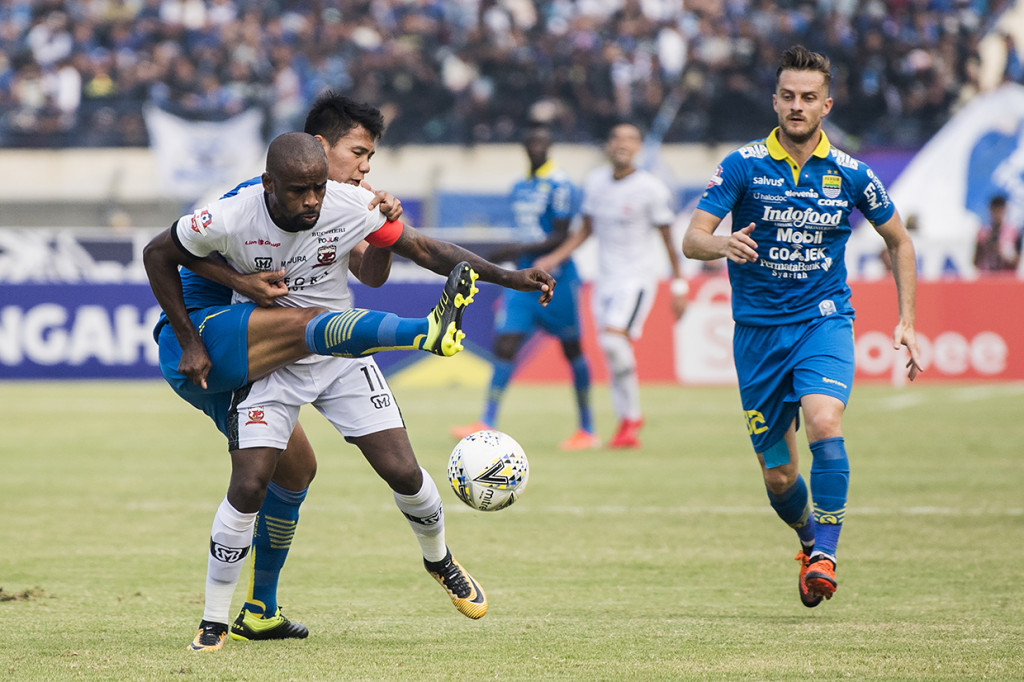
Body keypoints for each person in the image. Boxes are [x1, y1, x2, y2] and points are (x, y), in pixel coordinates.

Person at [146, 132, 555, 651]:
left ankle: (441, 561)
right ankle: (212, 620)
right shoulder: (232, 213)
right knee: (250, 484)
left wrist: (510, 277)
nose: (313, 200)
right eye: (300, 190)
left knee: (404, 472)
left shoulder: (350, 203)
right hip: (273, 362)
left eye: (319, 187)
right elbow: (161, 252)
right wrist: (203, 323)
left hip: (341, 357)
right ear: (272, 184)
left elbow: (425, 249)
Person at [681, 45, 923, 607]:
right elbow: (693, 238)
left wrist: (907, 320)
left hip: (824, 322)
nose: (797, 106)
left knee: (824, 420)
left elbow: (899, 240)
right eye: (788, 96)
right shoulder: (741, 165)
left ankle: (827, 555)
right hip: (758, 334)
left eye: (808, 98)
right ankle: (809, 539)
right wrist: (721, 243)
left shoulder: (852, 174)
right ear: (775, 100)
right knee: (781, 479)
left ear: (826, 104)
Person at [536, 122, 687, 449]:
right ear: (608, 145)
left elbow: (669, 241)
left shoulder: (651, 188)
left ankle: (632, 417)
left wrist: (679, 286)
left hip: (636, 279)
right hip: (604, 280)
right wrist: (552, 259)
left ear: (639, 148)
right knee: (611, 348)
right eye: (617, 137)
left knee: (615, 344)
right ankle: (626, 424)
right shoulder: (595, 183)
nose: (623, 144)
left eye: (631, 139)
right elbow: (585, 230)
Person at [451, 123, 599, 450]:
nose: (536, 147)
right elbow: (526, 231)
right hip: (521, 281)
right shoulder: (519, 185)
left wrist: (512, 251)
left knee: (571, 349)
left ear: (550, 147)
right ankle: (486, 420)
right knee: (505, 344)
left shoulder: (560, 185)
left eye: (542, 142)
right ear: (524, 146)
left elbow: (560, 235)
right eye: (531, 141)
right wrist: (516, 255)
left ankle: (587, 427)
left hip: (555, 279)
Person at [973, 194, 1021, 273]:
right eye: (995, 210)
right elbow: (975, 261)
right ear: (990, 210)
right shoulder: (983, 232)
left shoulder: (1013, 232)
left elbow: (1018, 262)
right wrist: (985, 246)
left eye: (1000, 210)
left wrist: (1002, 251)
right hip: (986, 277)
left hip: (1006, 278)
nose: (997, 214)